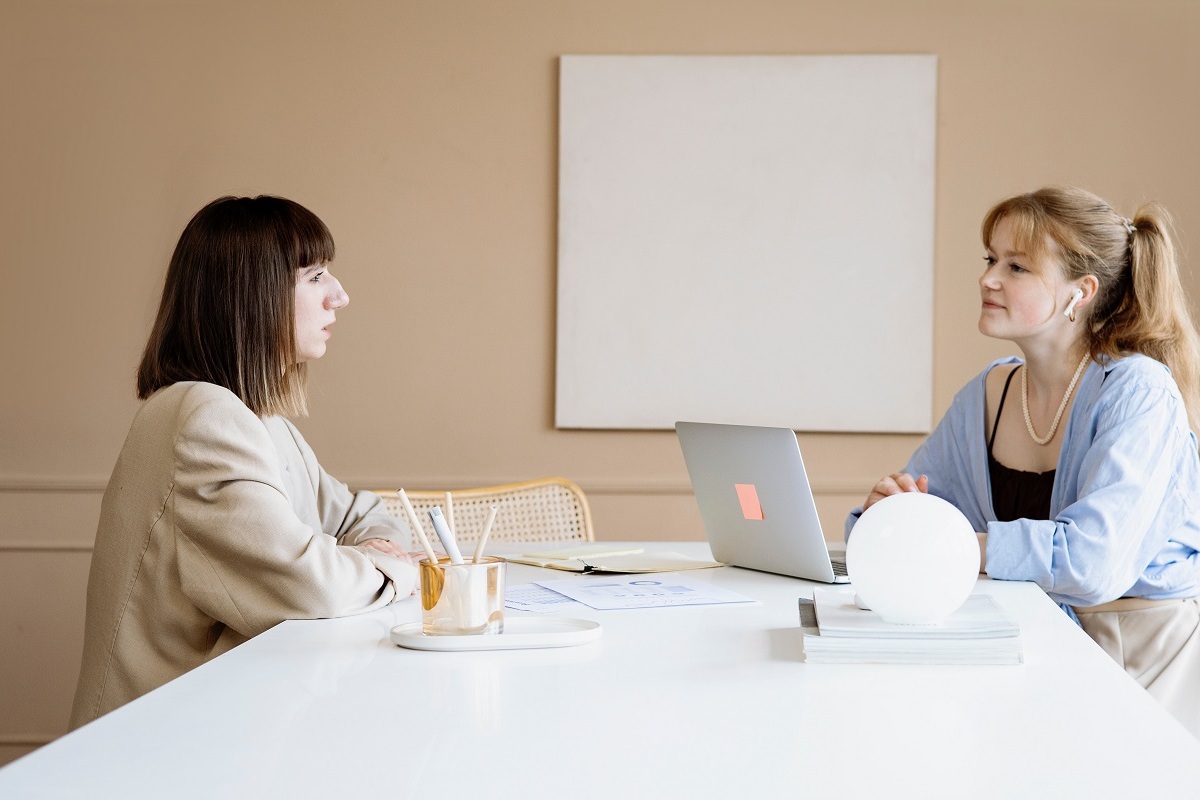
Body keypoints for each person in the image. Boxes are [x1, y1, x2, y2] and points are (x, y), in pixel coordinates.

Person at [848, 186, 1200, 735]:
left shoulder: (1139, 391)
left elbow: (1093, 564)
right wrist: (892, 514)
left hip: (1139, 660)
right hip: (1031, 645)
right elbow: (921, 519)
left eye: (1017, 266)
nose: (989, 278)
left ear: (1079, 292)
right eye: (991, 259)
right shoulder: (990, 391)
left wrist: (953, 545)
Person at [70, 196, 418, 728]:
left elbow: (359, 516)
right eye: (317, 276)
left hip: (211, 727)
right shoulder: (203, 417)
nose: (340, 297)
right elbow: (310, 585)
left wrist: (364, 552)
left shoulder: (262, 422)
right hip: (155, 750)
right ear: (256, 293)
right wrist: (396, 567)